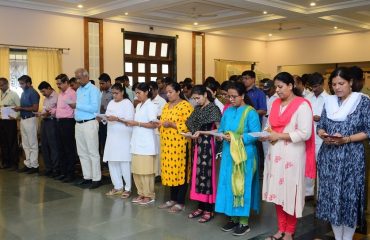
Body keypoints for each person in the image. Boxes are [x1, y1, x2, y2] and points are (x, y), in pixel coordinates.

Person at [316, 67, 370, 240]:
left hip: (351, 158)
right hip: (329, 156)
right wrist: (323, 134)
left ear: (351, 83)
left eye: (341, 83)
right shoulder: (329, 101)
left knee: (349, 199)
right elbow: (321, 125)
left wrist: (346, 139)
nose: (337, 87)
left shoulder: (362, 101)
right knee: (332, 199)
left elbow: (368, 131)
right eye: (333, 84)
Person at [260, 72, 315, 240]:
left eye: (280, 87)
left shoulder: (302, 105)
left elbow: (305, 133)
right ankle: (280, 229)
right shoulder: (275, 103)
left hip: (293, 156)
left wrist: (279, 136)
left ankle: (289, 231)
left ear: (291, 86)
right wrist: (265, 134)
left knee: (290, 193)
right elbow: (270, 127)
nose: (277, 90)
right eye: (276, 87)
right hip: (275, 153)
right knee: (278, 193)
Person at [215, 82, 261, 236]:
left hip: (244, 156)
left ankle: (243, 222)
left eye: (234, 96)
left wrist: (236, 137)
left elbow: (256, 135)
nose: (231, 99)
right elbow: (222, 128)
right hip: (229, 154)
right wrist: (221, 135)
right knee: (229, 184)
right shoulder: (228, 111)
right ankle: (233, 218)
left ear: (242, 96)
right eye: (229, 96)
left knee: (241, 186)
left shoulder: (250, 112)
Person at [185, 85, 222, 223]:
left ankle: (209, 209)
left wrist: (202, 133)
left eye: (198, 97)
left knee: (207, 177)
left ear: (205, 94)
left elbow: (220, 131)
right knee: (197, 175)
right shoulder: (197, 109)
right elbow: (191, 125)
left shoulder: (213, 109)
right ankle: (200, 207)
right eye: (194, 98)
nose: (196, 101)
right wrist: (191, 133)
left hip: (209, 147)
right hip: (198, 146)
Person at [158, 82, 193, 213]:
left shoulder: (185, 106)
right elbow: (162, 121)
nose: (168, 94)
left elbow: (189, 125)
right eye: (167, 92)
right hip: (167, 145)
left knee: (180, 172)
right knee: (170, 172)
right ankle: (172, 199)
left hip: (180, 145)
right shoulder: (166, 106)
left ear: (178, 92)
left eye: (170, 92)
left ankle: (180, 202)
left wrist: (172, 124)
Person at [125, 83, 159, 205]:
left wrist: (137, 123)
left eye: (139, 92)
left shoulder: (151, 106)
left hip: (146, 143)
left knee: (146, 171)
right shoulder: (139, 106)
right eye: (136, 93)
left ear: (146, 92)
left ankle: (149, 195)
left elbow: (154, 124)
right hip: (136, 142)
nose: (137, 95)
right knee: (137, 170)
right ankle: (141, 193)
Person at [102, 83, 134, 198]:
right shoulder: (111, 103)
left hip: (123, 136)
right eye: (113, 93)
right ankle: (117, 186)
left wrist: (117, 119)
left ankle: (128, 188)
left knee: (124, 162)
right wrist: (103, 118)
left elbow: (130, 121)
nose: (114, 95)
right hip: (112, 135)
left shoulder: (127, 103)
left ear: (122, 92)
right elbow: (107, 117)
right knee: (112, 161)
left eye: (116, 93)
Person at [72, 68, 101, 189]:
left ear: (86, 77)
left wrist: (77, 105)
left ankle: (96, 179)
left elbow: (94, 108)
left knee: (92, 152)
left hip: (90, 123)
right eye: (76, 78)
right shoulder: (78, 90)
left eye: (79, 78)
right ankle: (87, 176)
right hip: (78, 123)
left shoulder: (94, 90)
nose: (77, 80)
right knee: (82, 152)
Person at [305, 72, 329, 199]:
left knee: (320, 165)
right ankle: (308, 192)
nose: (314, 89)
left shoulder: (329, 99)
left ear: (322, 84)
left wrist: (320, 118)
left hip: (320, 136)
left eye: (316, 86)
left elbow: (330, 117)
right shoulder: (308, 97)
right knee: (308, 163)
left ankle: (320, 194)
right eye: (312, 87)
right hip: (308, 135)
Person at [13, 75, 40, 174]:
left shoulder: (33, 93)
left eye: (22, 83)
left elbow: (35, 108)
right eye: (20, 83)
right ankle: (28, 164)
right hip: (23, 120)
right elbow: (23, 107)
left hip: (30, 119)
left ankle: (34, 165)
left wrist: (21, 108)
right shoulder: (24, 92)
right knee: (25, 144)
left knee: (32, 143)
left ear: (28, 83)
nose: (20, 85)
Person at [55, 73, 78, 182]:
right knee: (61, 148)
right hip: (59, 122)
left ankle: (70, 173)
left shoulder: (72, 93)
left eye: (60, 83)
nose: (58, 86)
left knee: (69, 149)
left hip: (68, 122)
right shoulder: (61, 94)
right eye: (57, 84)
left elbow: (75, 108)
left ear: (66, 83)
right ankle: (63, 172)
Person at [37, 81, 60, 176]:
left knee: (53, 146)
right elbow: (44, 109)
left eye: (44, 91)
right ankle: (48, 168)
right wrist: (41, 114)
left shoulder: (57, 97)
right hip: (45, 122)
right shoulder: (45, 99)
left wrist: (49, 113)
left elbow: (58, 111)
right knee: (44, 145)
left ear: (49, 88)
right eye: (41, 92)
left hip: (52, 122)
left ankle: (56, 169)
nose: (43, 94)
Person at [0, 77, 20, 170]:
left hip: (10, 121)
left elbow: (19, 107)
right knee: (3, 142)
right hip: (1, 121)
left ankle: (14, 163)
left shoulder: (13, 94)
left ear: (7, 84)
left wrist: (15, 116)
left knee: (12, 142)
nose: (1, 87)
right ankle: (6, 162)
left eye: (2, 85)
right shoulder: (0, 94)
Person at [148, 81, 166, 178]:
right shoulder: (147, 101)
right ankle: (153, 171)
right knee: (152, 152)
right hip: (148, 130)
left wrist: (154, 117)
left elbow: (161, 116)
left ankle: (159, 173)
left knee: (158, 152)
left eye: (151, 89)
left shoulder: (161, 101)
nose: (149, 91)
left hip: (157, 131)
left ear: (156, 90)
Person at [98, 73, 113, 157]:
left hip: (110, 121)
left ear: (108, 82)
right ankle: (105, 158)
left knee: (109, 141)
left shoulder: (113, 91)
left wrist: (105, 108)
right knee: (103, 140)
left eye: (102, 83)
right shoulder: (102, 92)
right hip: (102, 120)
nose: (101, 85)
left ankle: (109, 159)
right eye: (100, 83)